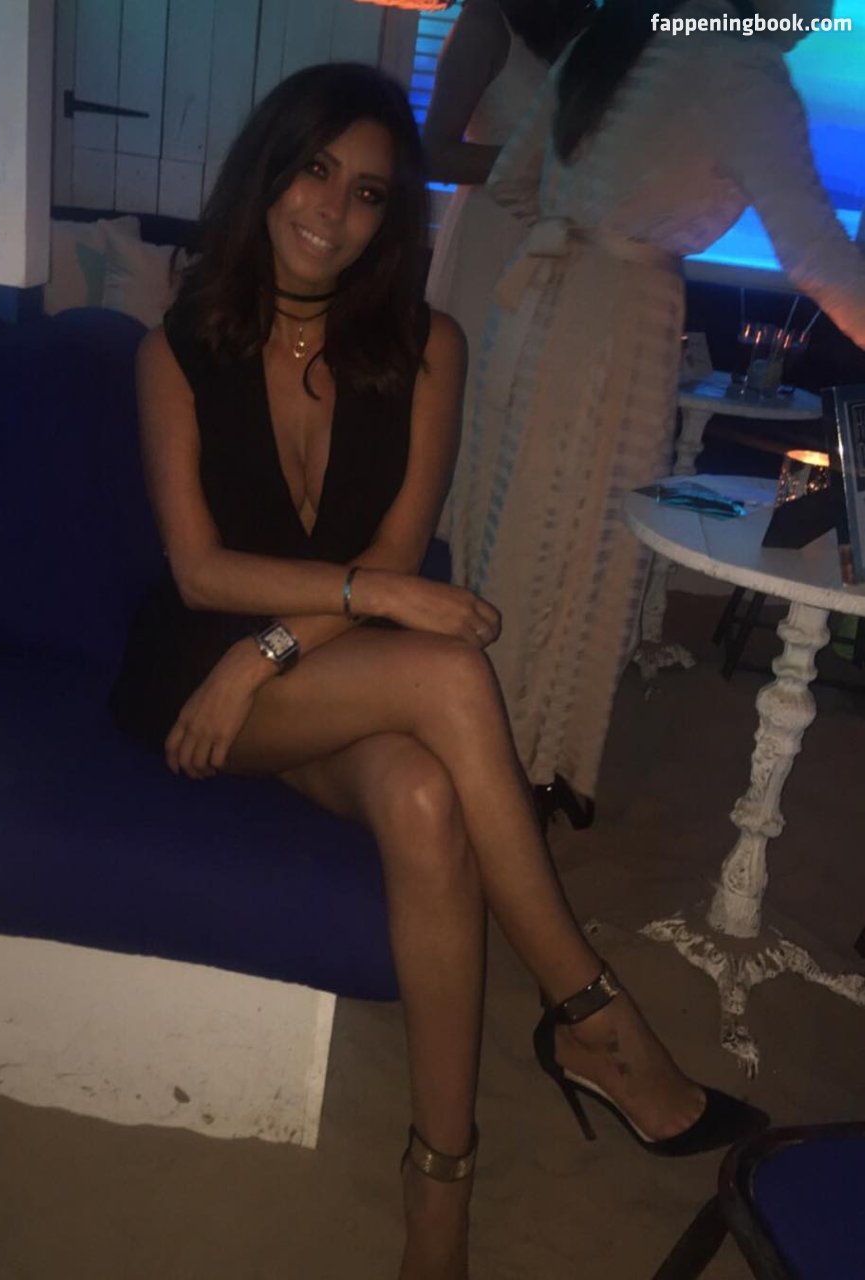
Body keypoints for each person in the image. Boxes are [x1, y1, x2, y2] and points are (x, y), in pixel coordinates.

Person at [110, 62, 766, 1280]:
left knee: (423, 797)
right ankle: (589, 1014)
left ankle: (438, 1193)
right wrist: (301, 631)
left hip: (302, 667)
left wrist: (275, 649)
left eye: (366, 192)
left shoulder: (428, 348)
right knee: (452, 676)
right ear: (267, 171)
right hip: (194, 677)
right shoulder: (177, 348)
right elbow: (199, 573)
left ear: (388, 219)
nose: (332, 209)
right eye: (314, 170)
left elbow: (395, 550)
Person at [449, 0, 865, 828]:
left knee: (511, 534)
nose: (820, 17)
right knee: (576, 553)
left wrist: (584, 236)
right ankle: (517, 772)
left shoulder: (620, 33)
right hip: (612, 326)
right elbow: (816, 253)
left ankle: (492, 746)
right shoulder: (736, 64)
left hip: (534, 308)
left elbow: (510, 181)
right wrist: (625, 257)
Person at [424, 0, 592, 540]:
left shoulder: (599, 30)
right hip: (491, 241)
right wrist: (541, 168)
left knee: (543, 415)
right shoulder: (486, 21)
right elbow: (432, 152)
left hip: (570, 249)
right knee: (474, 398)